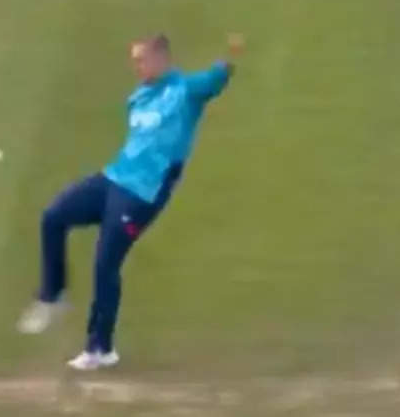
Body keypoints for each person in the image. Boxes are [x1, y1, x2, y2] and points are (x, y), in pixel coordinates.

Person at [16, 33, 244, 371]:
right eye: (134, 60)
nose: (136, 66)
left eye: (141, 59)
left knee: (105, 263)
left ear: (160, 58)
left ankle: (100, 348)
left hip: (144, 193)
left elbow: (214, 80)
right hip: (114, 178)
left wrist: (225, 65)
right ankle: (53, 294)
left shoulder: (185, 90)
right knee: (53, 216)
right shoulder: (137, 97)